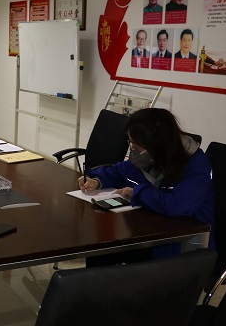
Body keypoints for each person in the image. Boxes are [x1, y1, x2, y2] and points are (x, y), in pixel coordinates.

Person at [79, 108, 215, 261]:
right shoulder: (150, 156)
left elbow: (176, 204)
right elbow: (121, 170)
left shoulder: (196, 166)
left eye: (136, 146)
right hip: (148, 234)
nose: (133, 150)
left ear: (157, 144)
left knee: (105, 255)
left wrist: (138, 192)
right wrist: (97, 180)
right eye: (131, 143)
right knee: (99, 251)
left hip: (181, 246)